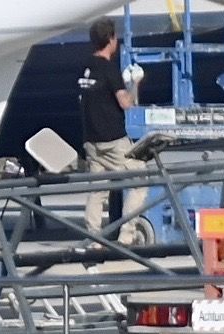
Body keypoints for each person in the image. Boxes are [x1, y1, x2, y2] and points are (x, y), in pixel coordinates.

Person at [77, 17, 141, 244]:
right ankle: (127, 235)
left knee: (98, 190)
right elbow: (126, 103)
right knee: (141, 179)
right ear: (111, 40)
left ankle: (92, 238)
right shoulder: (109, 69)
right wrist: (135, 83)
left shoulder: (84, 67)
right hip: (113, 140)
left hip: (91, 141)